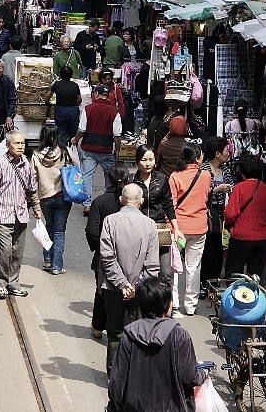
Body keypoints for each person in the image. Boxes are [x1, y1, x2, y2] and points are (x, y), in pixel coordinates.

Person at [107, 278, 206, 412]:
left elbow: (117, 382)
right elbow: (190, 377)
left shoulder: (129, 335)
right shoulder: (179, 335)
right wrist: (203, 373)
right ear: (166, 305)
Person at [99, 183, 160, 374]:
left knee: (115, 332)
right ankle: (134, 375)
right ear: (141, 202)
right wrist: (135, 286)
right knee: (138, 332)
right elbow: (152, 264)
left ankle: (114, 374)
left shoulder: (110, 221)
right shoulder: (150, 225)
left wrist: (122, 283)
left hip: (113, 288)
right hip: (140, 290)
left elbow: (107, 257)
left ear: (121, 200)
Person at [0, 130, 41, 299]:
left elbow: (31, 189)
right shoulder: (0, 163)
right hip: (2, 215)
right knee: (4, 251)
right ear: (8, 145)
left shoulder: (26, 162)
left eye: (22, 143)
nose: (21, 146)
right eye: (17, 143)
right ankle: (0, 283)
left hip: (21, 215)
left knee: (17, 251)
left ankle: (13, 283)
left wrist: (37, 208)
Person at [85, 162, 129, 339]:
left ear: (108, 179)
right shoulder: (131, 203)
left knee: (102, 291)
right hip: (128, 257)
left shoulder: (100, 202)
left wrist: (98, 247)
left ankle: (98, 326)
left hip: (103, 258)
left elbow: (92, 231)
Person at [169, 143, 211, 317]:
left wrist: (171, 225)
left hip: (178, 227)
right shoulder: (206, 176)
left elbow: (170, 204)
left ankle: (175, 303)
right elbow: (205, 197)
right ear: (196, 158)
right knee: (193, 266)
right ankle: (191, 305)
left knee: (174, 266)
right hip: (199, 227)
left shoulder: (174, 176)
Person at [31, 124, 79, 275]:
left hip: (44, 197)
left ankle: (47, 260)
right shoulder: (65, 151)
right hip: (62, 196)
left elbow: (32, 176)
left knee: (49, 226)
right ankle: (57, 266)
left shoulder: (36, 154)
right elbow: (77, 165)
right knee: (59, 231)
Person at [71, 84, 121, 217]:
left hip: (88, 148)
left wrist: (75, 140)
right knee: (109, 176)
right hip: (106, 148)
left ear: (96, 94)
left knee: (87, 175)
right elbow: (117, 134)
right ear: (108, 96)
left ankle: (87, 204)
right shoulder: (114, 112)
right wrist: (117, 149)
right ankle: (109, 202)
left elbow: (82, 129)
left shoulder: (88, 109)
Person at [224, 153, 266, 280]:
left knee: (234, 274)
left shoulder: (239, 188)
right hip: (262, 238)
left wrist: (229, 225)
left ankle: (236, 298)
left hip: (241, 237)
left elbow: (230, 214)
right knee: (255, 276)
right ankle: (255, 299)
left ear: (242, 171)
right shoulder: (265, 189)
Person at [131, 144, 177, 280]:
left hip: (160, 228)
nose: (148, 164)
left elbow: (168, 204)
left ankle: (167, 301)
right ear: (137, 160)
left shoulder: (162, 179)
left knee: (165, 274)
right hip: (139, 229)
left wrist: (176, 228)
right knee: (141, 272)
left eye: (151, 160)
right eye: (144, 160)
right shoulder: (132, 181)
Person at [200, 136, 233, 295]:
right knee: (207, 249)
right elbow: (200, 191)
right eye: (226, 150)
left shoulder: (225, 170)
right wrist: (216, 190)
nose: (228, 153)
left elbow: (231, 188)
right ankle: (204, 283)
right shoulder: (203, 169)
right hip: (206, 212)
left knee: (219, 249)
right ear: (217, 153)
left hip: (221, 213)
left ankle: (214, 283)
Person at [49, 65, 82, 143]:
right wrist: (75, 105)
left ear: (60, 75)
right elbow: (80, 99)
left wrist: (47, 102)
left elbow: (48, 95)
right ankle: (73, 151)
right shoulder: (75, 85)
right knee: (73, 132)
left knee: (61, 133)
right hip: (73, 110)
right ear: (71, 75)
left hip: (60, 109)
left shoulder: (57, 84)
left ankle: (62, 150)